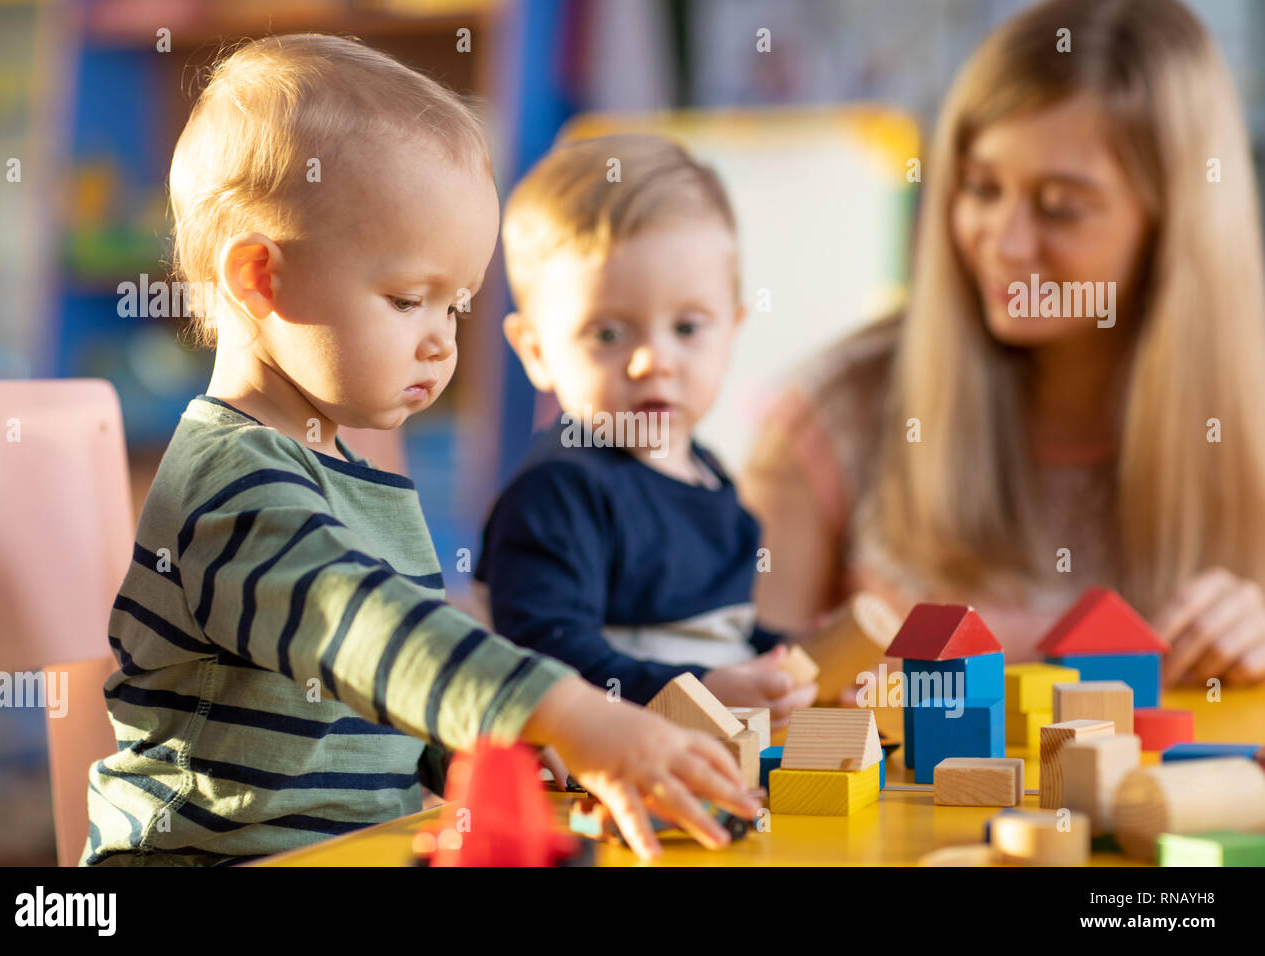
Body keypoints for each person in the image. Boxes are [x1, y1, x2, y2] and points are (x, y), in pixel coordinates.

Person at [83, 35, 758, 866]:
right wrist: (572, 713)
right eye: (409, 300)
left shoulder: (353, 478)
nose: (443, 345)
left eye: (457, 309)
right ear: (261, 278)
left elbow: (392, 711)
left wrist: (518, 761)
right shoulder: (231, 481)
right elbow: (362, 629)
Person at [742, 0, 1265, 685]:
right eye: (982, 189)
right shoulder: (829, 422)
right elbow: (728, 710)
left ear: (1173, 227)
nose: (1007, 244)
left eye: (1060, 208)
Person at [475, 133, 818, 723]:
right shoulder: (559, 491)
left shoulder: (710, 478)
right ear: (535, 351)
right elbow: (549, 659)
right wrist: (706, 689)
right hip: (597, 792)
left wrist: (788, 658)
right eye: (608, 335)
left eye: (687, 328)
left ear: (731, 330)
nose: (652, 360)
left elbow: (716, 632)